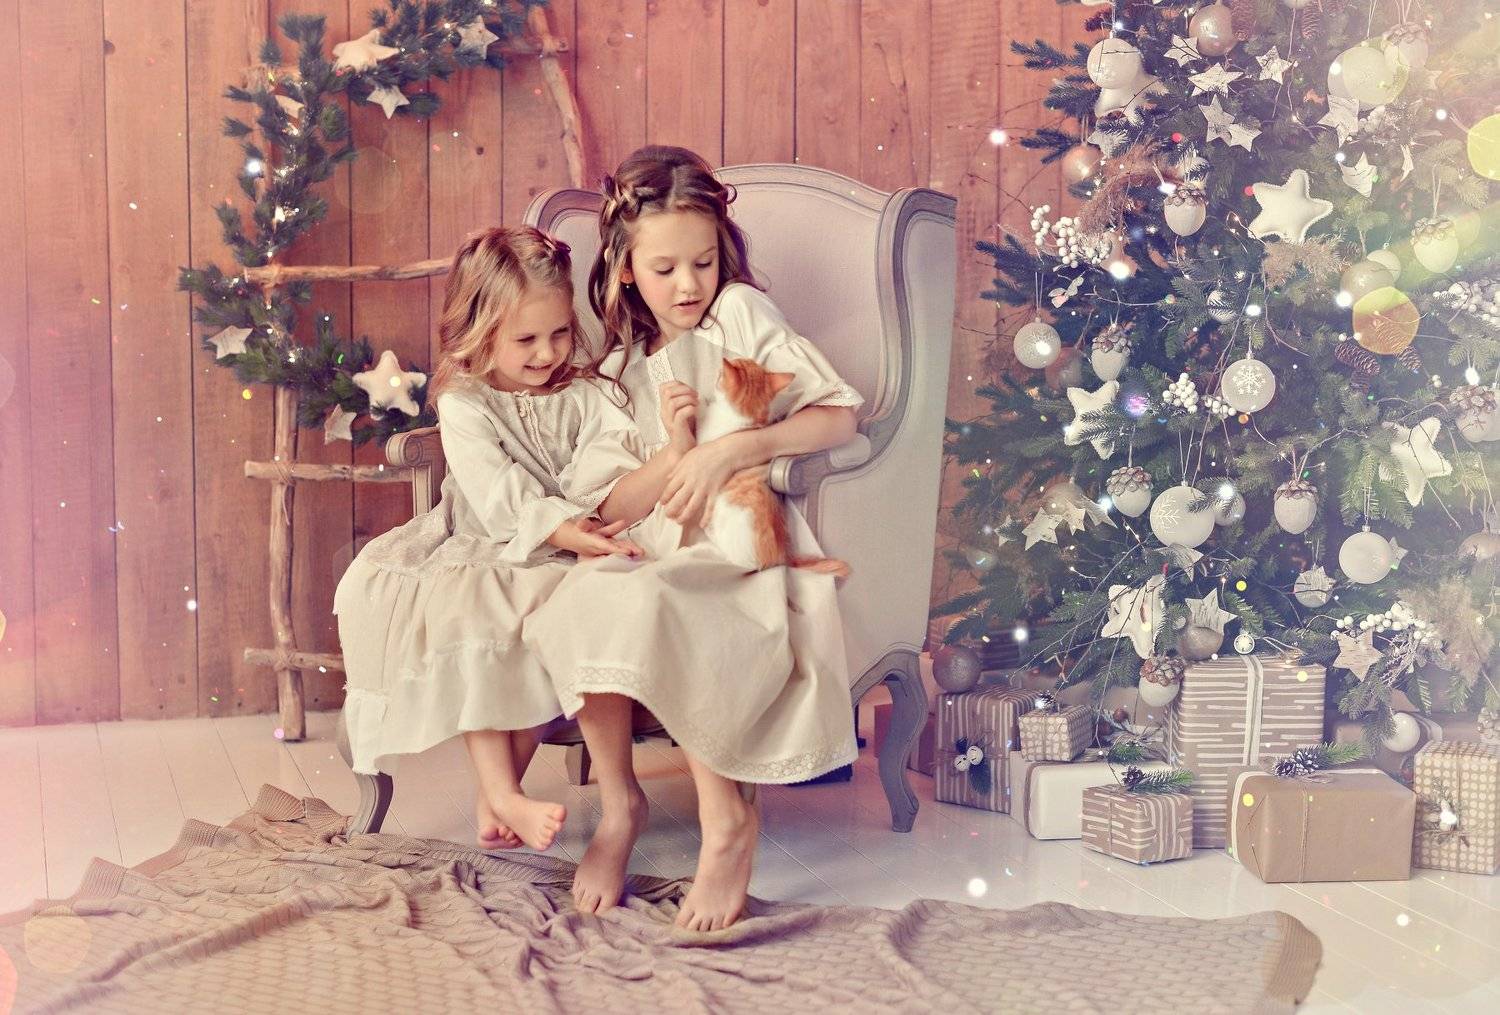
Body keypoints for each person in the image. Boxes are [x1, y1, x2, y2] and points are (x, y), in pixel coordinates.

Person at [522, 145, 865, 930]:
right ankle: (620, 807)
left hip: (736, 548)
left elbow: (839, 416)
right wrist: (675, 453)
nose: (688, 285)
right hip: (653, 543)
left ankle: (727, 819)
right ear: (625, 269)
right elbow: (611, 503)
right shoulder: (619, 368)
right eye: (665, 268)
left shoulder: (738, 316)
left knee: (663, 600)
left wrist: (730, 448)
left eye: (703, 262)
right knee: (584, 598)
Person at [334, 226, 645, 854]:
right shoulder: (465, 401)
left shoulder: (586, 394)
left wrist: (582, 523)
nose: (547, 353)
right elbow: (494, 489)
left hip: (564, 543)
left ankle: (500, 792)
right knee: (471, 612)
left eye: (559, 333)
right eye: (525, 340)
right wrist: (559, 527)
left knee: (549, 622)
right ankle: (502, 792)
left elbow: (607, 459)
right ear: (480, 332)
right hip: (486, 540)